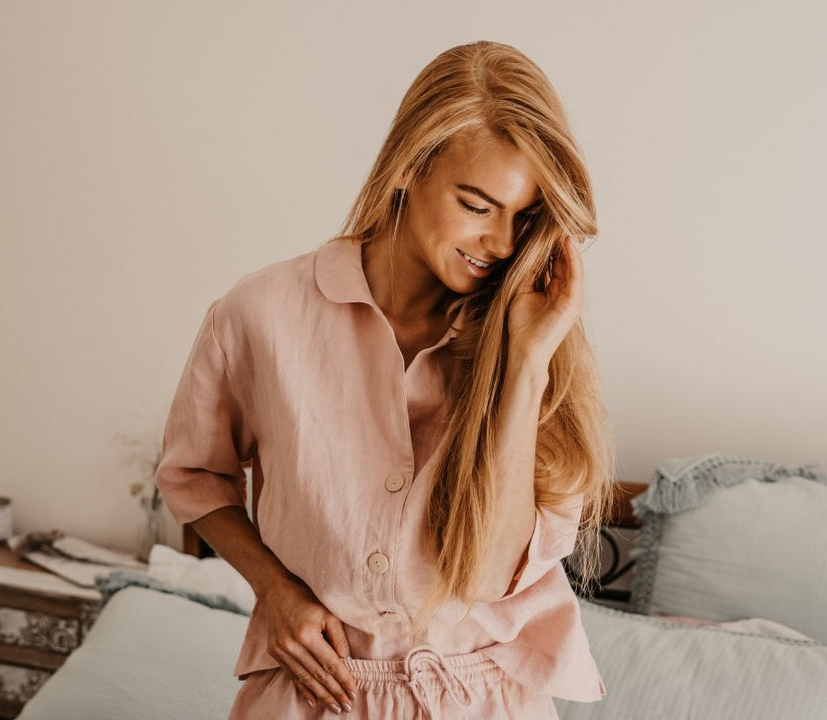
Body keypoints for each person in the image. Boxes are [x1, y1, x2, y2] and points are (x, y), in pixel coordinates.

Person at [155, 40, 615, 719]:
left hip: (483, 699)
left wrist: (526, 366)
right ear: (407, 167)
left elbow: (487, 575)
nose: (500, 244)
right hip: (315, 689)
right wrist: (274, 588)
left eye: (524, 219)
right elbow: (193, 477)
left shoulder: (538, 343)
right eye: (477, 204)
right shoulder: (258, 316)